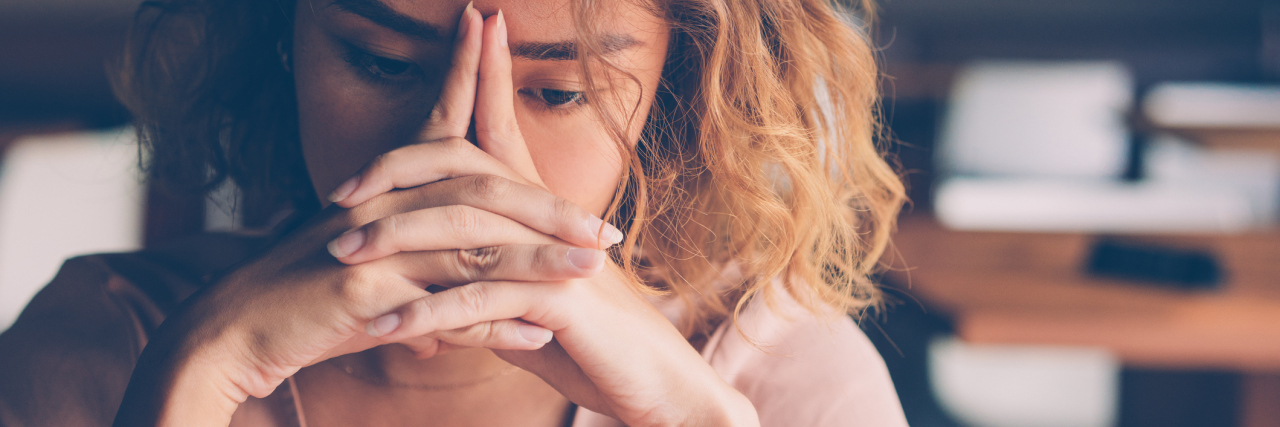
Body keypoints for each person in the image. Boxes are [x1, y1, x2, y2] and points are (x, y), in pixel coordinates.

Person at [0, 0, 908, 425]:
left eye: (561, 91)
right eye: (383, 64)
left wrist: (695, 420)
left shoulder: (781, 378)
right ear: (282, 41)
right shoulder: (105, 344)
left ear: (676, 86)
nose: (466, 152)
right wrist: (197, 376)